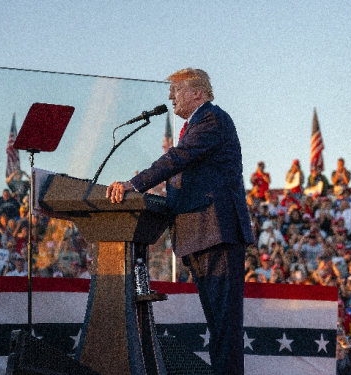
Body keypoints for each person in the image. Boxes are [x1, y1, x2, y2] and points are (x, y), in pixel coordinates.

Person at [106, 68, 253, 375]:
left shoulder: (212, 119)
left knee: (224, 330)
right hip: (200, 234)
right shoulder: (195, 124)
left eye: (175, 89)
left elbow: (178, 157)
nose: (170, 96)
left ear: (197, 93)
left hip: (216, 234)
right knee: (218, 327)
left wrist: (135, 184)